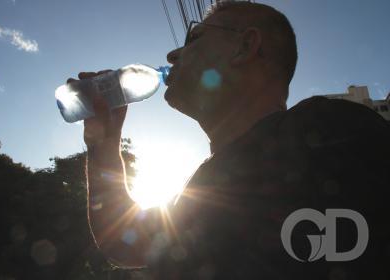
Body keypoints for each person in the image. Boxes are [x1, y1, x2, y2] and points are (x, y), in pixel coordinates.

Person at [70, 1, 390, 279]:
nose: (173, 53)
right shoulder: (205, 190)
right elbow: (124, 244)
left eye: (194, 37)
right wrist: (105, 145)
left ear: (245, 46)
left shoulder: (330, 128)